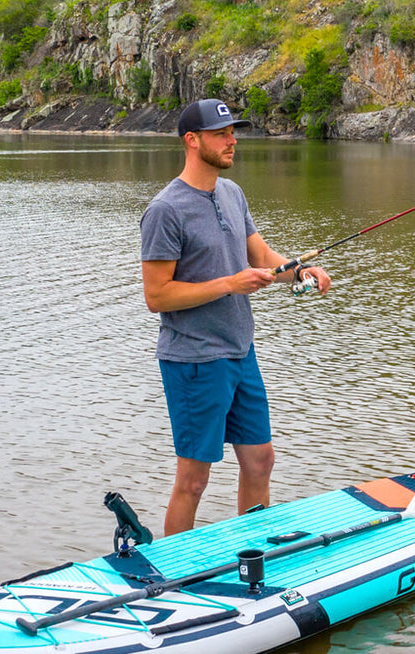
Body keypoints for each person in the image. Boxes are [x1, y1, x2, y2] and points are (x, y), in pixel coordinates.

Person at [139, 98, 332, 536]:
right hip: (193, 360)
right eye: (221, 134)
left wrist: (300, 271)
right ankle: (176, 574)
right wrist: (231, 283)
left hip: (240, 351)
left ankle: (254, 552)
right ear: (192, 141)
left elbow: (259, 255)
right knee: (194, 479)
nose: (233, 140)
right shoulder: (165, 210)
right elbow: (157, 295)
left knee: (261, 459)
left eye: (233, 132)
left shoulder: (231, 193)